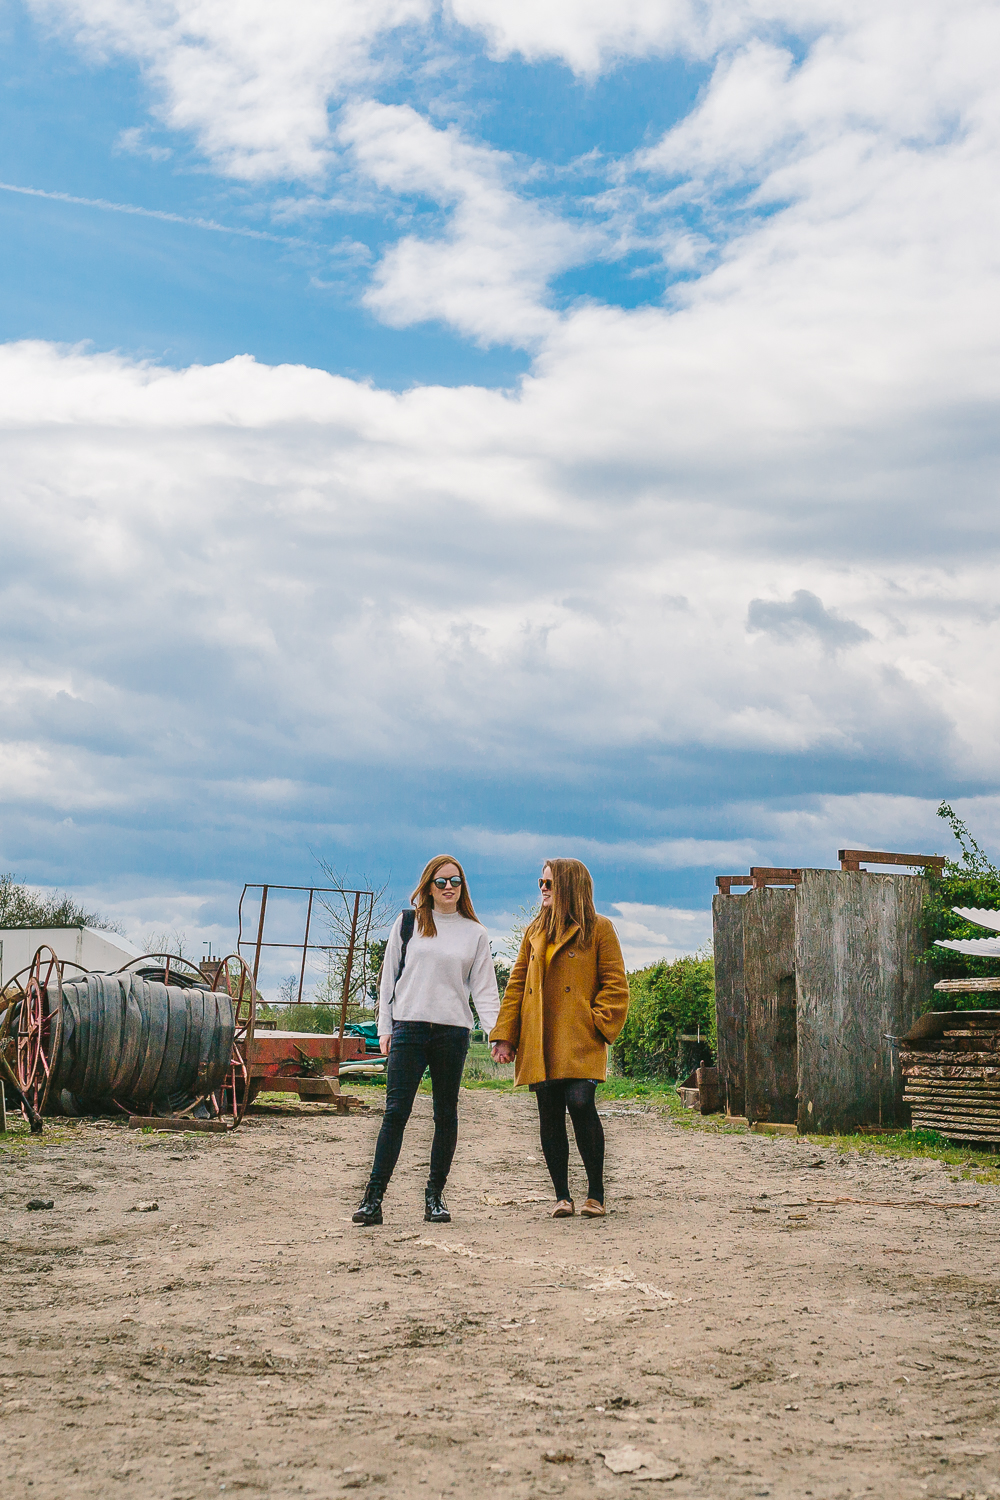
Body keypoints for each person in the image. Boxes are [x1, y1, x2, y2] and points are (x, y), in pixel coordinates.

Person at [353, 855, 500, 1227]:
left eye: (455, 881)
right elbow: (388, 981)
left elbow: (484, 991)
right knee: (395, 1113)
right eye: (441, 882)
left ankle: (435, 1196)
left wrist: (498, 1036)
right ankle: (373, 1198)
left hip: (452, 1033)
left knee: (445, 1115)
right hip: (409, 1028)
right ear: (427, 886)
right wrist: (384, 1028)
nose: (449, 888)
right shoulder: (407, 924)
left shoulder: (475, 933)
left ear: (463, 887)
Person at [489, 859, 629, 1218]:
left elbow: (616, 986)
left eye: (549, 883)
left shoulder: (600, 929)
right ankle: (562, 1196)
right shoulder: (535, 931)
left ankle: (595, 1194)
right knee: (549, 1113)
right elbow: (517, 984)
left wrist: (595, 1023)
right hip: (541, 1036)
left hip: (580, 1037)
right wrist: (505, 1035)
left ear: (569, 886)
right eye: (541, 882)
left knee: (581, 1102)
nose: (543, 889)